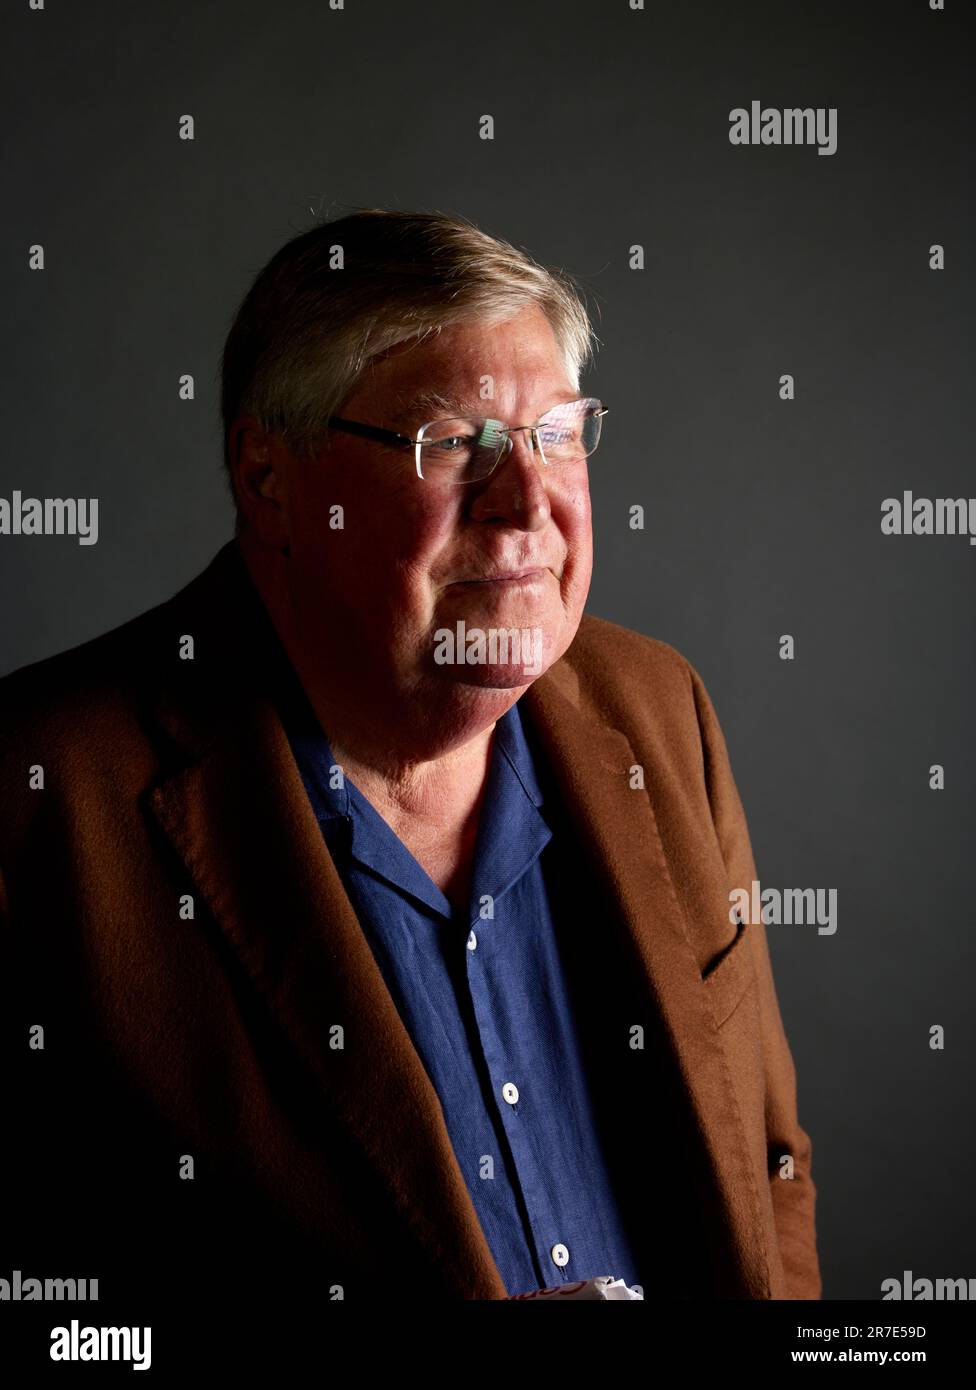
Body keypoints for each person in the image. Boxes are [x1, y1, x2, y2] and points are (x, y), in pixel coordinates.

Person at [0, 209, 820, 1305]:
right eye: (454, 445)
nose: (528, 503)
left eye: (558, 434)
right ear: (269, 479)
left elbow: (767, 1173)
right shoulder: (38, 802)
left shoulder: (659, 710)